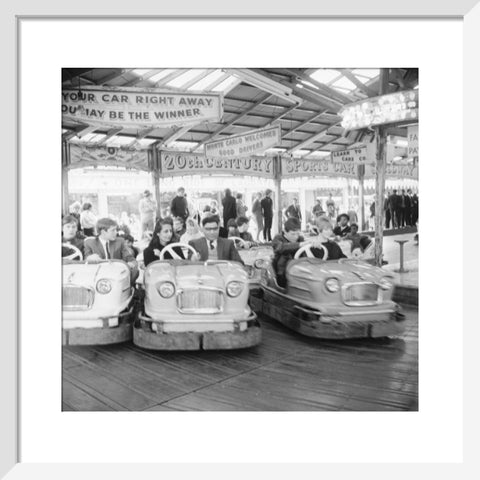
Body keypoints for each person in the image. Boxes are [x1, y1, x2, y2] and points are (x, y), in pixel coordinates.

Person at [272, 218, 324, 288]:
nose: (296, 237)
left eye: (298, 233)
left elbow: (307, 246)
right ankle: (283, 284)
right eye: (293, 234)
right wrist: (300, 244)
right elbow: (280, 248)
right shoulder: (278, 238)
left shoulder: (300, 238)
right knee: (283, 259)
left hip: (298, 266)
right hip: (282, 268)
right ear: (285, 232)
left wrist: (315, 244)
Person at [84, 218, 138, 282]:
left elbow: (130, 259)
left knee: (136, 272)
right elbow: (86, 261)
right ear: (103, 232)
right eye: (113, 230)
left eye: (116, 230)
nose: (116, 232)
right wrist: (89, 258)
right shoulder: (90, 243)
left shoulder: (120, 241)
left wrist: (131, 263)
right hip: (98, 277)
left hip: (117, 276)